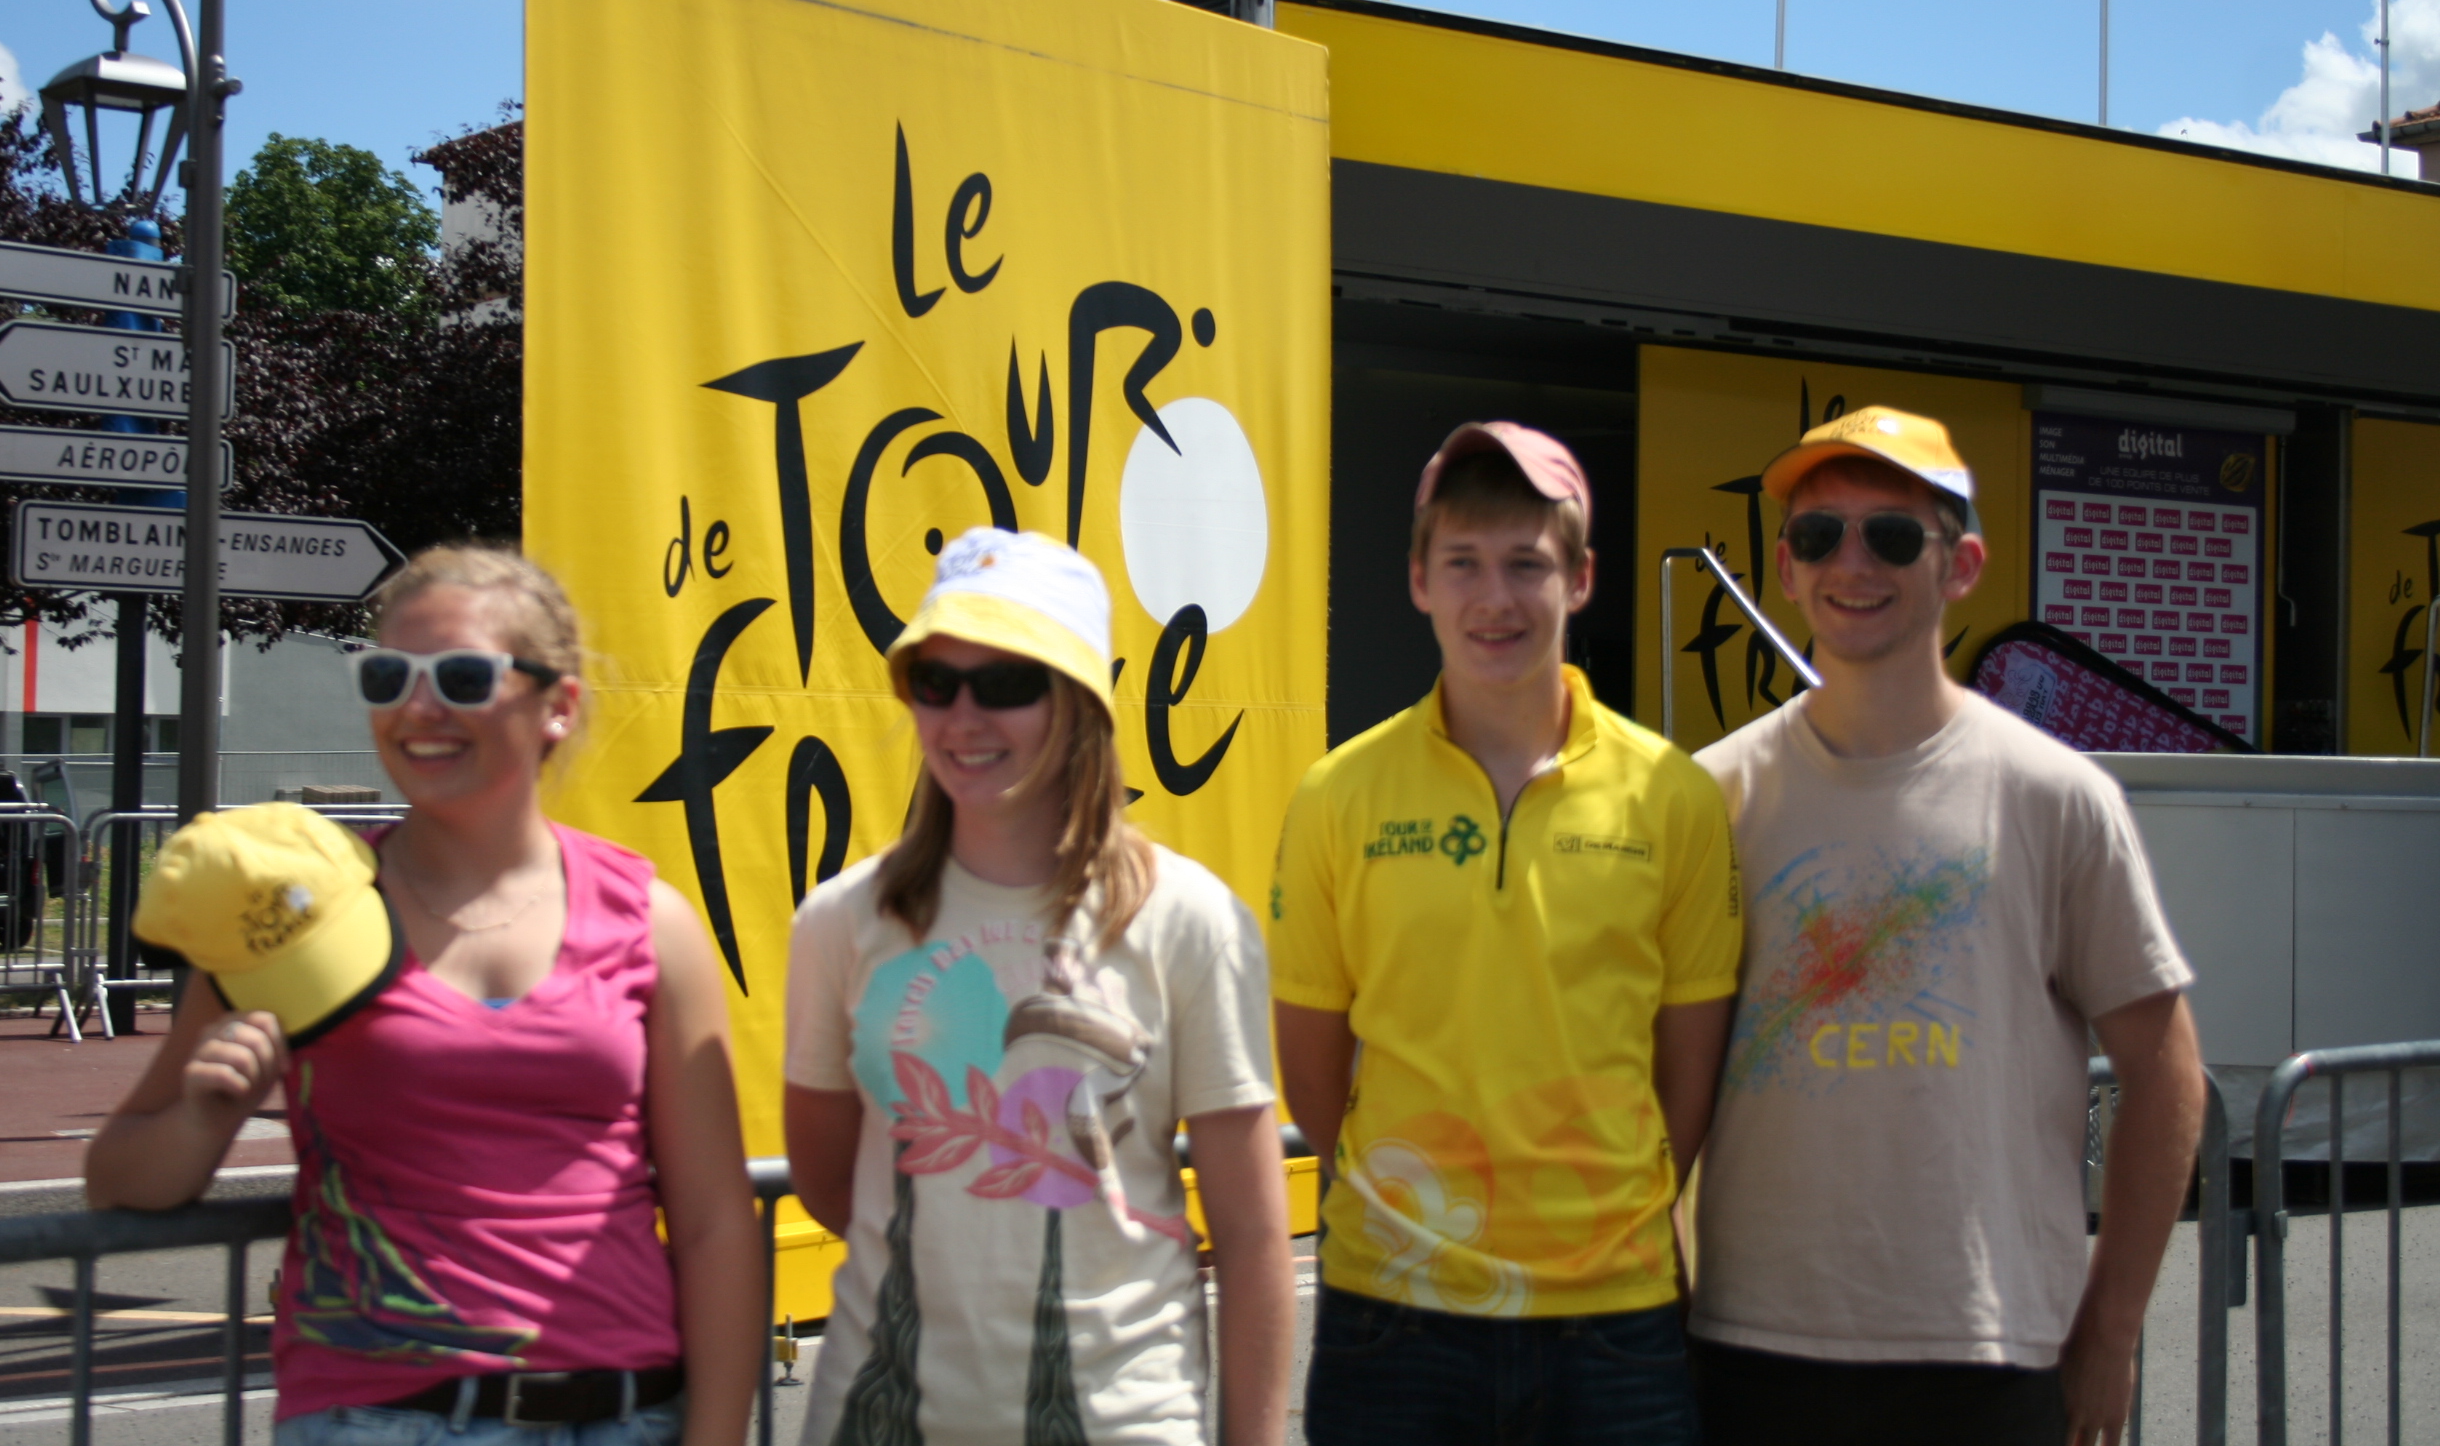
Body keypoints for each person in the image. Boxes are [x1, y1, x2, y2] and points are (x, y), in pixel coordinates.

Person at [88, 545, 763, 1446]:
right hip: (377, 1423)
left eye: (461, 677)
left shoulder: (650, 919)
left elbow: (715, 1222)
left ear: (558, 704)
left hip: (626, 1418)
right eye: (388, 676)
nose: (418, 707)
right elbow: (119, 1176)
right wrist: (205, 1117)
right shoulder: (294, 916)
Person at [1687, 408, 2207, 1446]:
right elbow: (1664, 1081)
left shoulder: (2055, 798)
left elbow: (2165, 1077)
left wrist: (2111, 1327)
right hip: (1749, 1349)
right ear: (1784, 567)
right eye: (1818, 534)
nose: (1851, 563)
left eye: (1891, 535)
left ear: (1960, 565)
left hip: (1986, 1351)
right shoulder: (1711, 797)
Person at [1270, 423, 1741, 1446]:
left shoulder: (1674, 795)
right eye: (1463, 563)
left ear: (1582, 579)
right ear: (1417, 581)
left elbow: (1688, 1070)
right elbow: (1311, 1068)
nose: (1496, 598)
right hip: (1392, 1312)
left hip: (1614, 1316)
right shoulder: (1337, 794)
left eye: (1527, 563)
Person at [783, 527, 1291, 1446]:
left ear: (1080, 701)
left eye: (1008, 682)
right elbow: (828, 1182)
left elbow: (1254, 1238)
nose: (963, 717)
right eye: (935, 681)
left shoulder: (1194, 921)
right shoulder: (840, 920)